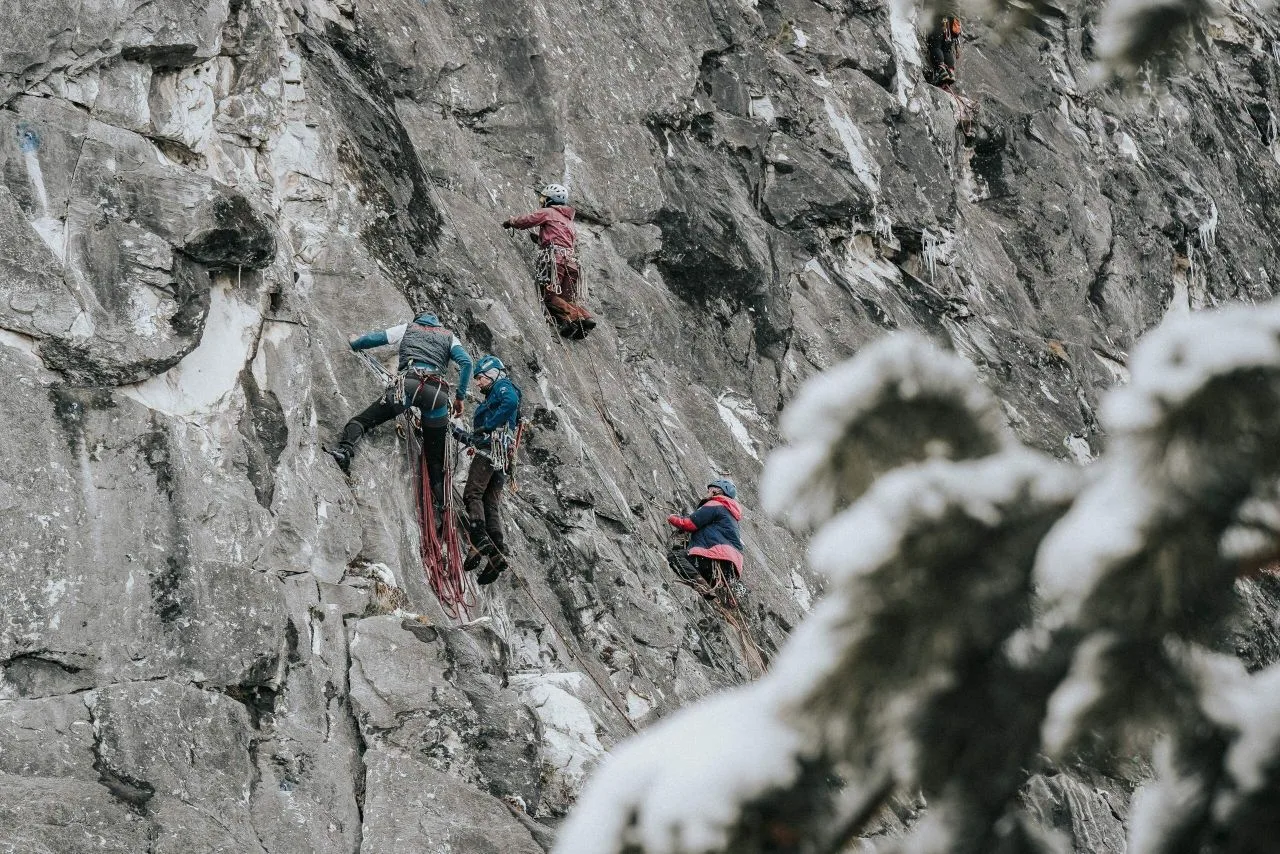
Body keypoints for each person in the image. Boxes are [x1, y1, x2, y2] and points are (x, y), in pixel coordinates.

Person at [327, 312, 472, 511]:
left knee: (362, 421)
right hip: (437, 394)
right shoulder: (449, 336)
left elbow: (376, 339)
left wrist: (355, 342)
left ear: (418, 320)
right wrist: (460, 398)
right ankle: (441, 504)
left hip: (408, 386)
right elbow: (467, 363)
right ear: (437, 323)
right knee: (434, 459)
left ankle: (345, 451)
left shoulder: (408, 328)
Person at [451, 355, 522, 585]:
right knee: (490, 503)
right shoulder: (498, 392)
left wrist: (489, 427)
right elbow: (513, 415)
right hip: (502, 454)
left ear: (492, 374)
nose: (478, 383)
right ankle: (497, 552)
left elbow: (510, 402)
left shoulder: (502, 386)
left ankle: (479, 540)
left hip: (491, 449)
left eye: (480, 378)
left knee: (472, 493)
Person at [502, 183, 597, 339]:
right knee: (564, 299)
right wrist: (541, 240)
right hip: (572, 263)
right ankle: (578, 320)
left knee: (549, 296)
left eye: (543, 198)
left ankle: (577, 316)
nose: (541, 201)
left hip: (556, 260)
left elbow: (527, 220)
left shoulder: (549, 212)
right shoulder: (569, 222)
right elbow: (561, 239)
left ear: (550, 200)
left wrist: (511, 221)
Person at [666, 478, 745, 588]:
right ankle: (706, 584)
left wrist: (671, 518)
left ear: (716, 491)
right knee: (682, 550)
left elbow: (689, 524)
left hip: (713, 557)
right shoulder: (732, 517)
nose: (707, 492)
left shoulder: (715, 504)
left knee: (675, 555)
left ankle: (700, 583)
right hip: (730, 568)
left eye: (710, 489)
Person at [926, 15, 962, 86]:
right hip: (953, 23)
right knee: (946, 49)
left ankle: (941, 72)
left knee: (935, 46)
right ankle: (950, 72)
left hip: (941, 17)